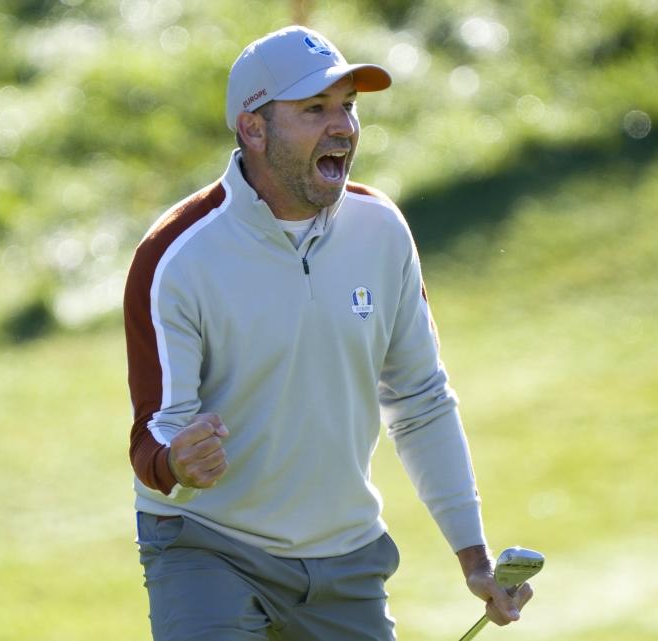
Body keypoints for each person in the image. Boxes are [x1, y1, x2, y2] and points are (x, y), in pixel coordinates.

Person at [123, 25, 533, 641]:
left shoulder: (382, 231)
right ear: (253, 129)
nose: (341, 125)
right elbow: (154, 431)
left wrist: (474, 559)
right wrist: (176, 461)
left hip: (344, 558)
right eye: (315, 109)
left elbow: (420, 401)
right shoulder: (177, 255)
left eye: (348, 106)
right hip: (210, 548)